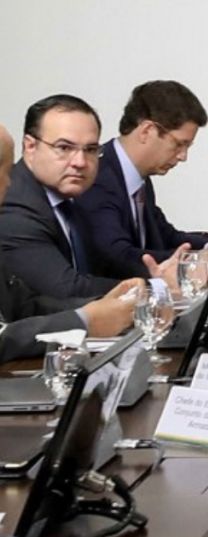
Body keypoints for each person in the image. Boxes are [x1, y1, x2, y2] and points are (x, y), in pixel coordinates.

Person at [0, 95, 186, 299]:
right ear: (30, 147)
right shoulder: (14, 206)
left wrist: (160, 275)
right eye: (64, 148)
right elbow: (67, 289)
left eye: (90, 150)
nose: (80, 162)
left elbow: (106, 262)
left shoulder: (74, 194)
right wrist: (154, 287)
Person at [0, 123, 140, 364]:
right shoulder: (19, 211)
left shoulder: (75, 202)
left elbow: (25, 307)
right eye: (6, 171)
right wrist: (83, 322)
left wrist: (103, 305)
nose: (10, 183)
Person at [77, 80, 208, 279]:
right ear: (146, 131)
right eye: (178, 144)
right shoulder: (98, 177)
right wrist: (200, 261)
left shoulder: (139, 177)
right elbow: (117, 256)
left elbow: (165, 235)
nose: (183, 156)